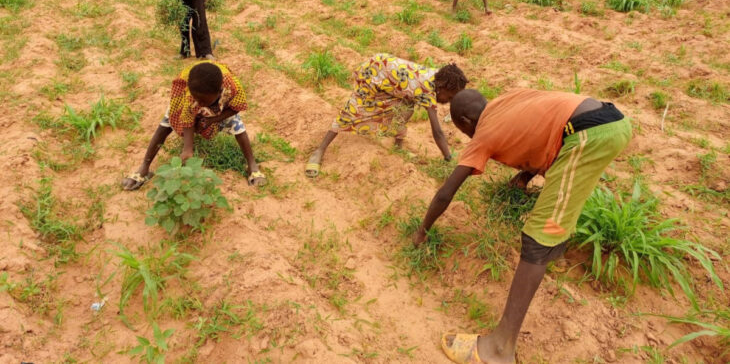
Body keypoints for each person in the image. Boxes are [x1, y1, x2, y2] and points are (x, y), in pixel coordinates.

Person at [412, 88, 632, 364]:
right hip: (605, 120)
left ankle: (499, 349)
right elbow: (542, 129)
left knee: (536, 236)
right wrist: (524, 178)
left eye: (462, 130)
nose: (468, 136)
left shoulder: (484, 134)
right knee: (559, 208)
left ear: (466, 121)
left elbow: (447, 192)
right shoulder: (505, 103)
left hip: (588, 135)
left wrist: (422, 231)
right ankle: (556, 258)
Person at [305, 54, 468, 178]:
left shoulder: (437, 77)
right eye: (450, 97)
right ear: (441, 87)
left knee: (406, 108)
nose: (449, 101)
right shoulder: (427, 90)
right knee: (353, 111)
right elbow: (437, 132)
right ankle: (319, 151)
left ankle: (397, 146)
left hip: (390, 76)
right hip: (374, 74)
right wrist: (448, 158)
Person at [121, 62, 265, 190]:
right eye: (197, 99)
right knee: (166, 123)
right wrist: (187, 148)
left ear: (219, 92)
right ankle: (144, 168)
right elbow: (187, 116)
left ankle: (252, 166)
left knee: (237, 125)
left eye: (203, 101)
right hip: (187, 98)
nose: (199, 104)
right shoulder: (190, 94)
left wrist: (214, 119)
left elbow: (237, 107)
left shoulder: (232, 88)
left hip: (221, 107)